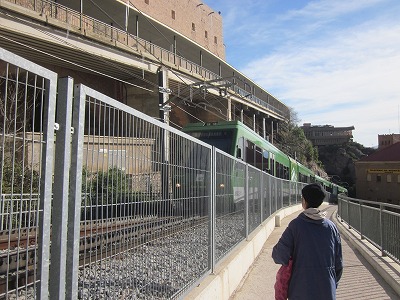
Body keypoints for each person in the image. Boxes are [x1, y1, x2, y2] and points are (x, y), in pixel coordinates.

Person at [272, 183, 343, 300]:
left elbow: (279, 256)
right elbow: (338, 265)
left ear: (304, 201)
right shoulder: (332, 228)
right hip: (327, 291)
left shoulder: (295, 226)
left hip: (299, 291)